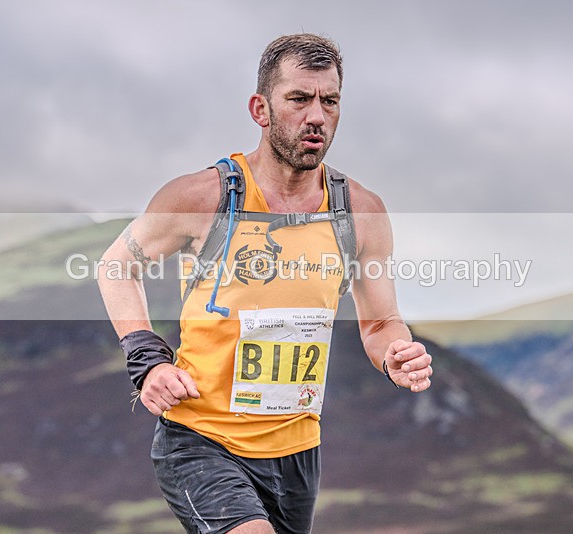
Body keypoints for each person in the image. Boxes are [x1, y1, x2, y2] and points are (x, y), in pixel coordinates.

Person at [97, 33, 432, 534]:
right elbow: (116, 266)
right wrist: (147, 361)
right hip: (201, 439)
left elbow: (381, 322)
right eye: (299, 99)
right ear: (261, 109)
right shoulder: (201, 197)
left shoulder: (360, 213)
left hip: (297, 451)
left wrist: (396, 354)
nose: (316, 116)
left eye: (330, 101)